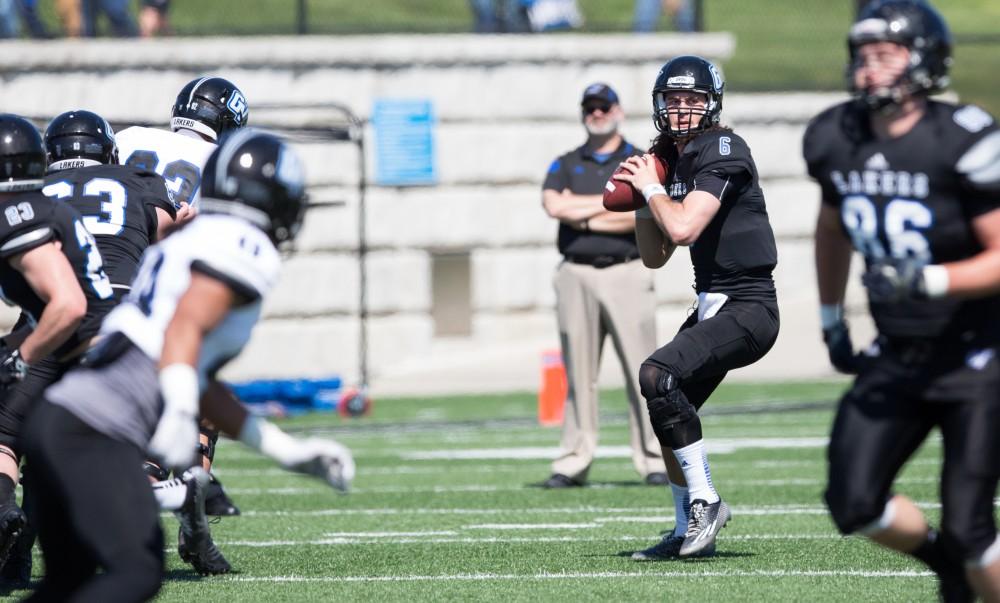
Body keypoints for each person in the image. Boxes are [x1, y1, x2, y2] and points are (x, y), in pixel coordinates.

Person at [21, 130, 355, 601]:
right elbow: (185, 329)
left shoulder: (194, 237)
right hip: (93, 431)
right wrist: (177, 411)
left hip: (60, 420)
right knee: (135, 573)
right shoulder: (241, 243)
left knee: (70, 581)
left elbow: (197, 377)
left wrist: (285, 450)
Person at [804, 1, 1000, 600]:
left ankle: (967, 567)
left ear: (923, 61)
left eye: (885, 55)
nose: (870, 69)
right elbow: (832, 228)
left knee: (972, 525)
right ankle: (949, 569)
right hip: (899, 350)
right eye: (862, 56)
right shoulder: (837, 135)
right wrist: (832, 319)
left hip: (979, 355)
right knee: (853, 500)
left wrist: (928, 281)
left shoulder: (963, 137)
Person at [0, 108, 180, 587]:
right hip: (117, 324)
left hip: (51, 315)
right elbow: (169, 226)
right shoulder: (136, 180)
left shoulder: (29, 196)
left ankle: (13, 538)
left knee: (11, 434)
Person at [616, 55, 779, 559]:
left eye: (693, 99)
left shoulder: (724, 147)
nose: (682, 108)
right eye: (673, 98)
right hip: (713, 302)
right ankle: (686, 524)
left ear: (712, 104)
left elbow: (685, 229)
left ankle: (706, 501)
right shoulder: (672, 157)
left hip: (749, 304)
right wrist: (645, 198)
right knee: (666, 407)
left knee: (656, 374)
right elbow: (654, 256)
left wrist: (651, 187)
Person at [117, 75, 249, 517]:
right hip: (154, 298)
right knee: (204, 390)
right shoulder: (221, 162)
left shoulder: (130, 137)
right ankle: (191, 509)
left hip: (93, 278)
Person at [0, 113, 118, 579]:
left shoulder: (15, 213)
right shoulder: (37, 204)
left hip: (86, 345)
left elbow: (67, 304)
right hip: (90, 339)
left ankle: (10, 524)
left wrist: (19, 359)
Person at [540, 83, 666, 489]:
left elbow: (643, 213)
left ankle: (653, 459)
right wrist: (609, 204)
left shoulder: (637, 160)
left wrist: (585, 212)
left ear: (618, 110)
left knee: (642, 371)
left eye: (603, 106)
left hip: (627, 270)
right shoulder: (566, 161)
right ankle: (573, 460)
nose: (597, 113)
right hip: (576, 273)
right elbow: (553, 206)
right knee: (578, 373)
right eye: (590, 107)